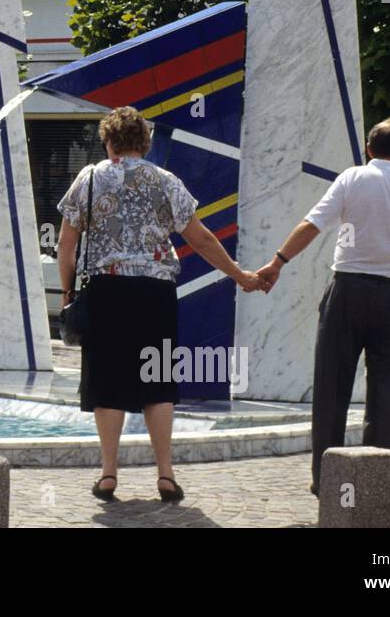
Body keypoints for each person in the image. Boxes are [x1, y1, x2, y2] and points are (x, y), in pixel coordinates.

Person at [57, 106, 267, 505]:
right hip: (154, 293)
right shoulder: (166, 181)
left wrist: (68, 293)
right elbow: (201, 239)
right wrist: (241, 276)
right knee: (157, 383)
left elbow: (66, 244)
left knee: (108, 383)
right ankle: (166, 476)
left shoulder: (88, 179)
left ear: (108, 141)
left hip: (106, 290)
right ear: (145, 143)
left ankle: (108, 474)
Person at [256, 116, 390, 494]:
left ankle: (327, 481)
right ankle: (379, 483)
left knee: (332, 387)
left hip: (348, 293)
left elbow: (311, 224)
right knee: (385, 394)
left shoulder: (352, 179)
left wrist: (277, 262)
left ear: (370, 149)